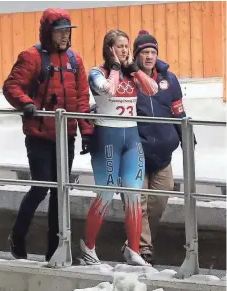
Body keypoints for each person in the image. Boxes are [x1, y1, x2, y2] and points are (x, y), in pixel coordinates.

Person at [2, 8, 93, 261]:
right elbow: (11, 86)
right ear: (47, 32)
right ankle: (18, 236)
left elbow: (82, 98)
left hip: (66, 135)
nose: (65, 36)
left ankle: (54, 248)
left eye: (67, 31)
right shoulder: (32, 57)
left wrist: (86, 131)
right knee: (42, 186)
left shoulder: (76, 60)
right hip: (40, 134)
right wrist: (26, 103)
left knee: (60, 191)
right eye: (60, 31)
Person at [80, 29, 158, 266]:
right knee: (106, 192)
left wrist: (134, 70)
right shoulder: (97, 72)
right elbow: (108, 90)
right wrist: (115, 67)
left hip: (131, 138)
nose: (124, 51)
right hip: (107, 138)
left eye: (126, 46)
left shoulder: (132, 73)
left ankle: (133, 249)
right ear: (109, 49)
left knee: (134, 194)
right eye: (119, 46)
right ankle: (88, 247)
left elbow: (153, 89)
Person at [122, 30, 196, 264]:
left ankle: (132, 242)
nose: (150, 56)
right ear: (137, 55)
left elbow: (178, 111)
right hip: (137, 152)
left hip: (163, 154)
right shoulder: (127, 79)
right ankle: (143, 250)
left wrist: (186, 135)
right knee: (139, 203)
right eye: (145, 52)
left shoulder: (169, 80)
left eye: (153, 52)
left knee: (158, 202)